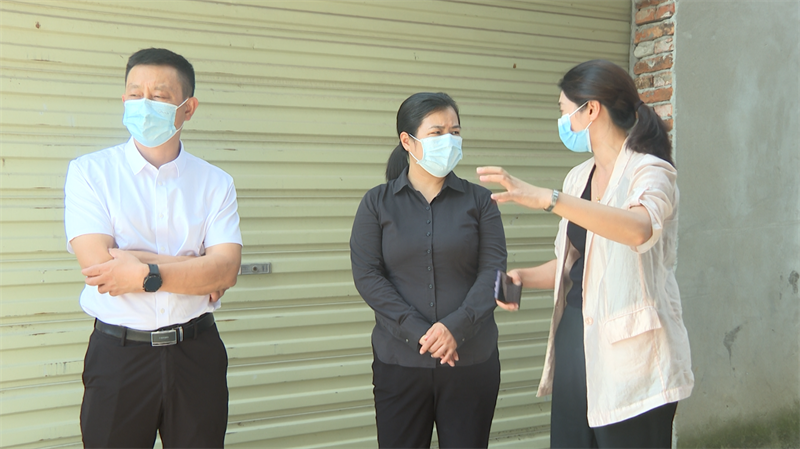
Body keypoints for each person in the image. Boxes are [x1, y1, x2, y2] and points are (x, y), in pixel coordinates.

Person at [478, 60, 694, 448]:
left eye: (565, 111)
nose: (562, 122)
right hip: (575, 337)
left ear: (590, 109)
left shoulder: (650, 171)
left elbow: (638, 228)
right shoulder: (578, 177)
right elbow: (575, 264)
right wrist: (523, 277)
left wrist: (549, 199)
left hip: (633, 353)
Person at [64, 48, 242, 449]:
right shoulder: (90, 173)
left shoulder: (216, 183)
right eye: (135, 94)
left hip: (196, 354)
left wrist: (142, 270)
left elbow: (226, 270)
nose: (144, 104)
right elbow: (100, 266)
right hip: (119, 356)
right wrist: (194, 267)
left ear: (187, 108)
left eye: (159, 96)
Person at [350, 92, 507, 449]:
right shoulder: (377, 203)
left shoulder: (481, 201)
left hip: (471, 361)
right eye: (437, 133)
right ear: (407, 141)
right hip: (400, 363)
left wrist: (455, 329)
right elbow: (368, 277)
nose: (448, 140)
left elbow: (495, 273)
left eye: (455, 132)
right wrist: (421, 333)